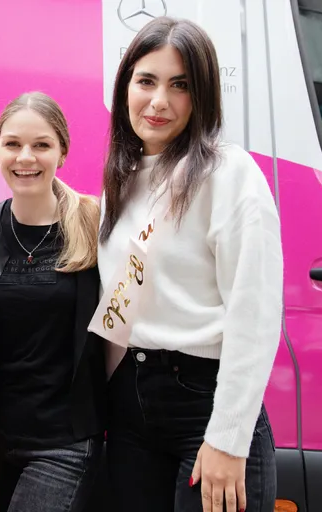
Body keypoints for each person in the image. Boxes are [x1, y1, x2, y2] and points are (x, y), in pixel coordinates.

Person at [98, 17, 283, 512]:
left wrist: (227, 437)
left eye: (179, 85)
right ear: (124, 88)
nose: (158, 101)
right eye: (146, 81)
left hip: (204, 402)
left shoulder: (229, 174)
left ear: (202, 96)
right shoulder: (122, 178)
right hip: (131, 407)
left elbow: (255, 314)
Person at [0, 92, 107, 512]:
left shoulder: (94, 223)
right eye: (12, 144)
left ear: (62, 151)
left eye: (41, 145)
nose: (25, 157)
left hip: (63, 442)